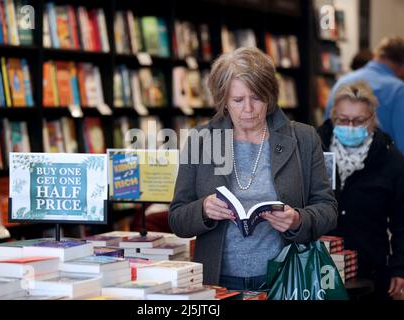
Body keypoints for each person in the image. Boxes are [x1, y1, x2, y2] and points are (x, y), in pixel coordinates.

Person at [169, 47, 338, 290]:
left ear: (270, 97)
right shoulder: (201, 139)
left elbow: (328, 209)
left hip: (285, 278)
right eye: (238, 100)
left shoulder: (303, 138)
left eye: (257, 98)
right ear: (223, 100)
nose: (248, 109)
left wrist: (297, 220)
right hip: (217, 281)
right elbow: (177, 219)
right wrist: (203, 209)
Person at [317, 81, 404, 300]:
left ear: (372, 119)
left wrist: (399, 268)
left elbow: (402, 221)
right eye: (343, 120)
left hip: (370, 271)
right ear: (333, 116)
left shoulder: (390, 160)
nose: (351, 126)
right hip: (319, 266)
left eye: (359, 121)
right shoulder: (315, 149)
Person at [324, 36, 404, 155]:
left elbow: (326, 132)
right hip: (381, 168)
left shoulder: (342, 82)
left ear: (377, 55)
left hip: (338, 165)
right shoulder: (398, 90)